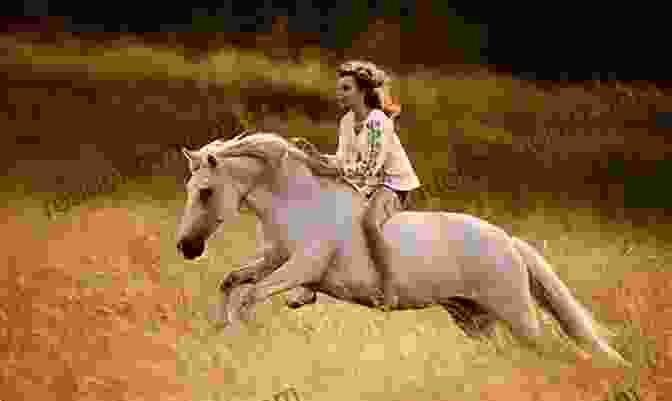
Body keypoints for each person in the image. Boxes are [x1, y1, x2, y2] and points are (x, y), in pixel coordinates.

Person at [325, 60, 421, 309]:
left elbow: (370, 167)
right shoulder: (346, 122)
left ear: (363, 92)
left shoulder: (378, 121)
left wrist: (337, 169)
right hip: (369, 183)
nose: (340, 94)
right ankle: (310, 285)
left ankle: (389, 287)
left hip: (394, 185)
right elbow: (343, 160)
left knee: (368, 223)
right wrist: (319, 160)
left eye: (346, 89)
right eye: (339, 89)